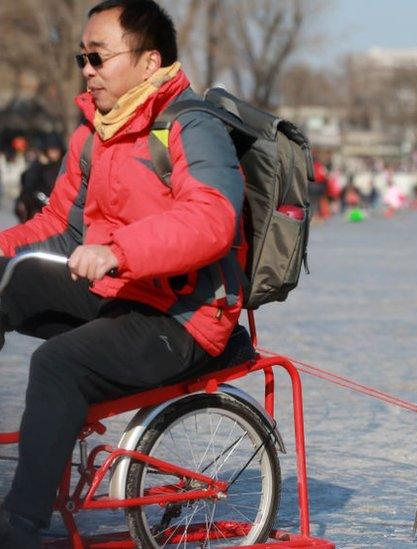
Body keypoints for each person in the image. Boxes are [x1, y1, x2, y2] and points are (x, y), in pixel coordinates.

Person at [0, 2, 246, 546]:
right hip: (121, 290)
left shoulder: (189, 125)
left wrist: (118, 251)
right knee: (4, 282)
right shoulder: (94, 132)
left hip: (184, 316)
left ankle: (20, 522)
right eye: (81, 57)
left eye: (98, 56)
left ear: (148, 60)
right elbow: (58, 228)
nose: (87, 69)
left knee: (57, 364)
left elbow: (212, 219)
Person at [15, 136, 64, 223]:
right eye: (51, 150)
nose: (54, 153)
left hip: (58, 207)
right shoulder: (39, 165)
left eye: (56, 150)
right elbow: (29, 186)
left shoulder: (63, 165)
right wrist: (40, 164)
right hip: (37, 206)